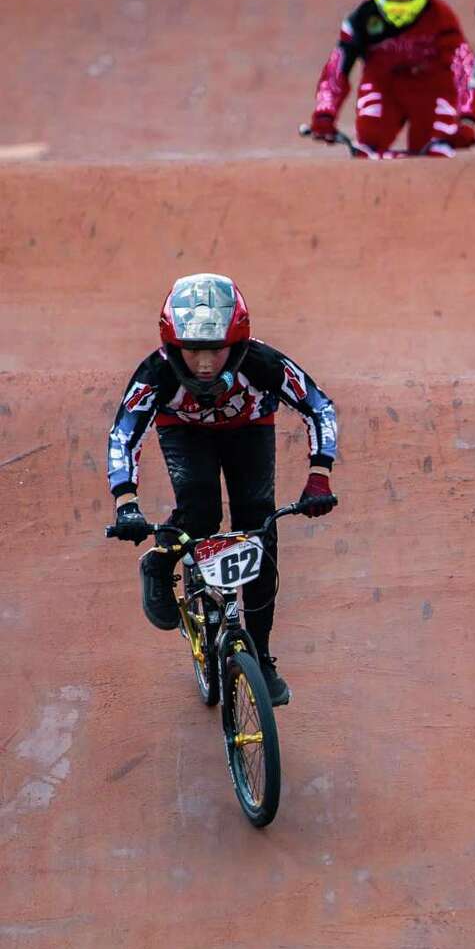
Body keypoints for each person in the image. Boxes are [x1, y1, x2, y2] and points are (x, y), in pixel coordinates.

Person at [107, 274, 339, 706]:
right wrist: (127, 503)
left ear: (238, 342)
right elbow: (124, 434)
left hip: (249, 429)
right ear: (175, 347)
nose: (206, 363)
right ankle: (160, 562)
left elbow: (318, 406)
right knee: (200, 510)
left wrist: (319, 476)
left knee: (259, 527)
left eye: (215, 349)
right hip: (185, 432)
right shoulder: (155, 372)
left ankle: (262, 657)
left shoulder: (262, 363)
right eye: (194, 351)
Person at [308, 0, 475, 157]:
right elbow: (337, 67)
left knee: (435, 157)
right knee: (366, 149)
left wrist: (467, 119)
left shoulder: (441, 17)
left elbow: (464, 67)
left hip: (433, 92)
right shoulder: (362, 17)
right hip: (383, 88)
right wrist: (324, 114)